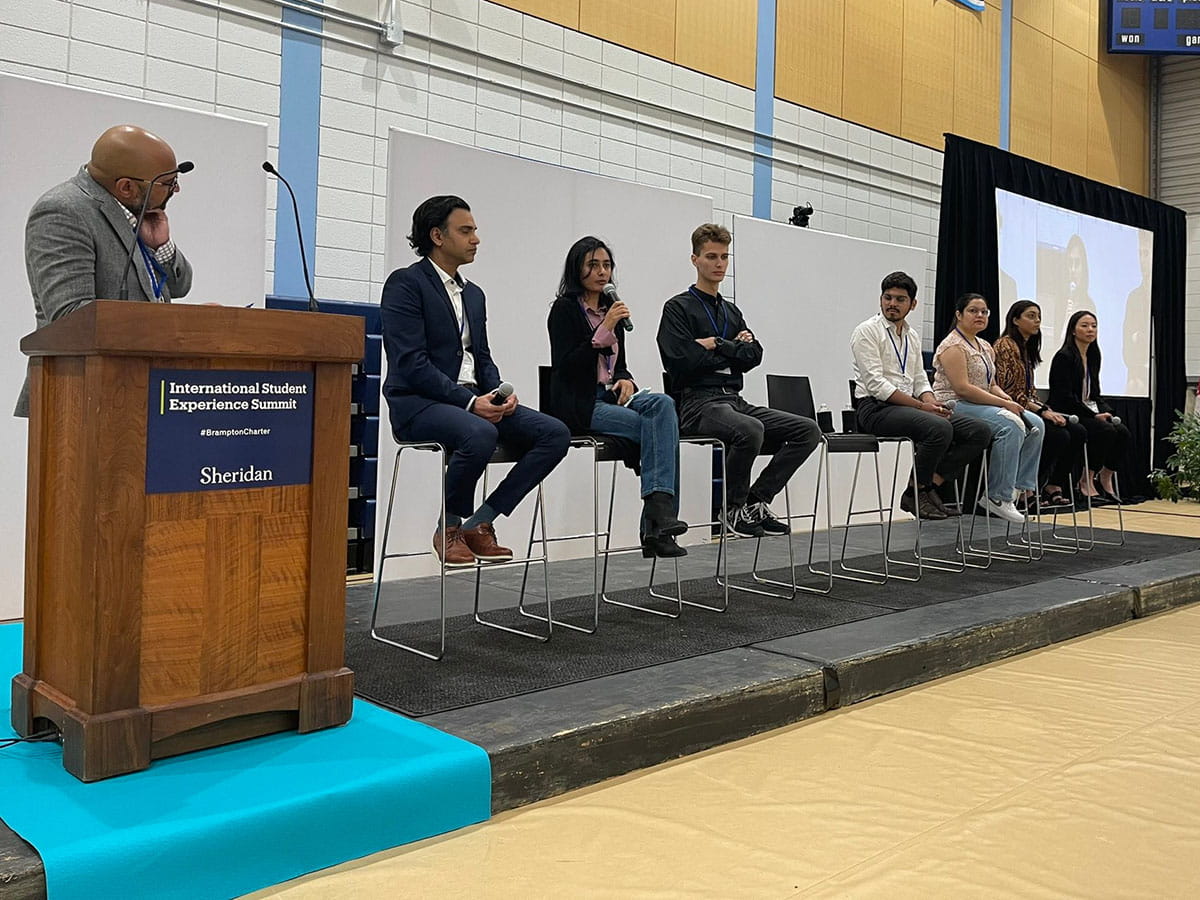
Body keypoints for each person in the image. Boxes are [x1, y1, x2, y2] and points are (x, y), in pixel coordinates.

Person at [381, 195, 570, 567]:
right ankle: (448, 527)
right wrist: (470, 404)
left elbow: (482, 357)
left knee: (555, 434)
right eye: (466, 231)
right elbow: (411, 364)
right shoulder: (406, 284)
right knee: (479, 433)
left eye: (475, 231)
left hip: (470, 400)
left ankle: (481, 521)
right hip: (418, 403)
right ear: (437, 235)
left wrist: (498, 393)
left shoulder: (474, 294)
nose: (476, 239)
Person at [657, 223, 821, 538]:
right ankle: (731, 510)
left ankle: (756, 501)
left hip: (733, 400)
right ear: (695, 260)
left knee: (808, 430)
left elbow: (755, 355)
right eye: (711, 257)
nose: (719, 264)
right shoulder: (678, 308)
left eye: (724, 257)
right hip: (697, 402)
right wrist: (734, 351)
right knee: (750, 429)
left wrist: (717, 344)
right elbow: (682, 363)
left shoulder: (731, 312)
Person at [18, 124, 193, 416]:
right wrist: (177, 327)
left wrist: (160, 245)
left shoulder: (133, 212)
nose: (176, 189)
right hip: (80, 398)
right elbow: (72, 315)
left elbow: (179, 287)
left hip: (141, 389)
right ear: (126, 186)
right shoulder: (63, 211)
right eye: (168, 182)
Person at [546, 237, 687, 558]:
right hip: (581, 402)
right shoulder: (564, 310)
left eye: (606, 265)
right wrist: (603, 330)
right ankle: (657, 524)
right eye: (593, 265)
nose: (601, 272)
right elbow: (566, 367)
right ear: (576, 268)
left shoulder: (612, 311)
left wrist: (626, 380)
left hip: (611, 396)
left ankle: (658, 515)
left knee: (664, 405)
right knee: (662, 432)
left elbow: (618, 367)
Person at [850, 271, 990, 521]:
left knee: (978, 431)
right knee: (939, 428)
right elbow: (877, 384)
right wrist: (920, 406)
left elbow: (918, 379)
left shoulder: (911, 335)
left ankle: (923, 487)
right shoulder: (867, 331)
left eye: (900, 299)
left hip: (909, 408)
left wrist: (930, 401)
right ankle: (919, 493)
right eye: (888, 298)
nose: (892, 304)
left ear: (912, 304)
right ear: (880, 300)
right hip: (875, 409)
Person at [931, 293, 1044, 525]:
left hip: (981, 402)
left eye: (984, 312)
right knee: (1011, 424)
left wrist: (1006, 398)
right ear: (959, 315)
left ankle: (1017, 490)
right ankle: (997, 496)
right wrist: (1004, 404)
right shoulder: (952, 346)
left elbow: (991, 384)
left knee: (1036, 425)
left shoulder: (984, 345)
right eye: (973, 311)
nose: (980, 316)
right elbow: (962, 389)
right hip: (955, 404)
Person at [994, 300, 1086, 509]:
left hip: (1027, 405)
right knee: (1057, 435)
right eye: (1031, 316)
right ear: (1015, 320)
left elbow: (1029, 391)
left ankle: (1050, 485)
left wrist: (1046, 409)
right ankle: (1026, 488)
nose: (1037, 321)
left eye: (1038, 316)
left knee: (1077, 431)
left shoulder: (1026, 349)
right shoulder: (1005, 345)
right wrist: (1042, 410)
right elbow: (1009, 391)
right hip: (1007, 406)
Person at [1048, 310, 1131, 503]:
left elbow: (1094, 394)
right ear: (1073, 330)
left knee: (1123, 432)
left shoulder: (1093, 355)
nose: (1090, 330)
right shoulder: (1064, 356)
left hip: (1087, 409)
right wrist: (1094, 416)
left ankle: (1105, 476)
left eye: (1094, 326)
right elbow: (1064, 396)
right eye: (1084, 326)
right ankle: (1085, 481)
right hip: (1067, 410)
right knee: (1105, 430)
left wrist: (1105, 411)